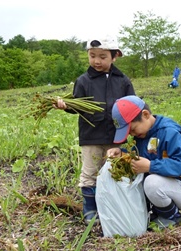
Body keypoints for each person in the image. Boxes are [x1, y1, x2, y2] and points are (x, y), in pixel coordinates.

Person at [54, 36, 135, 224]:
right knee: (90, 173)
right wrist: (66, 106)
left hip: (116, 136)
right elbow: (77, 106)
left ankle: (114, 205)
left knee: (117, 170)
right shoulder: (83, 80)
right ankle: (90, 208)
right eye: (92, 56)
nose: (97, 61)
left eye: (102, 56)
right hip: (91, 136)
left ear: (115, 56)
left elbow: (132, 105)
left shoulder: (123, 80)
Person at [107, 96, 181, 229]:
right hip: (166, 187)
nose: (131, 134)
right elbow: (137, 157)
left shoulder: (169, 132)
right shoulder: (142, 135)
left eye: (132, 129)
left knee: (151, 182)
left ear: (145, 115)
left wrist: (150, 166)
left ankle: (171, 216)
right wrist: (121, 153)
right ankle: (157, 212)